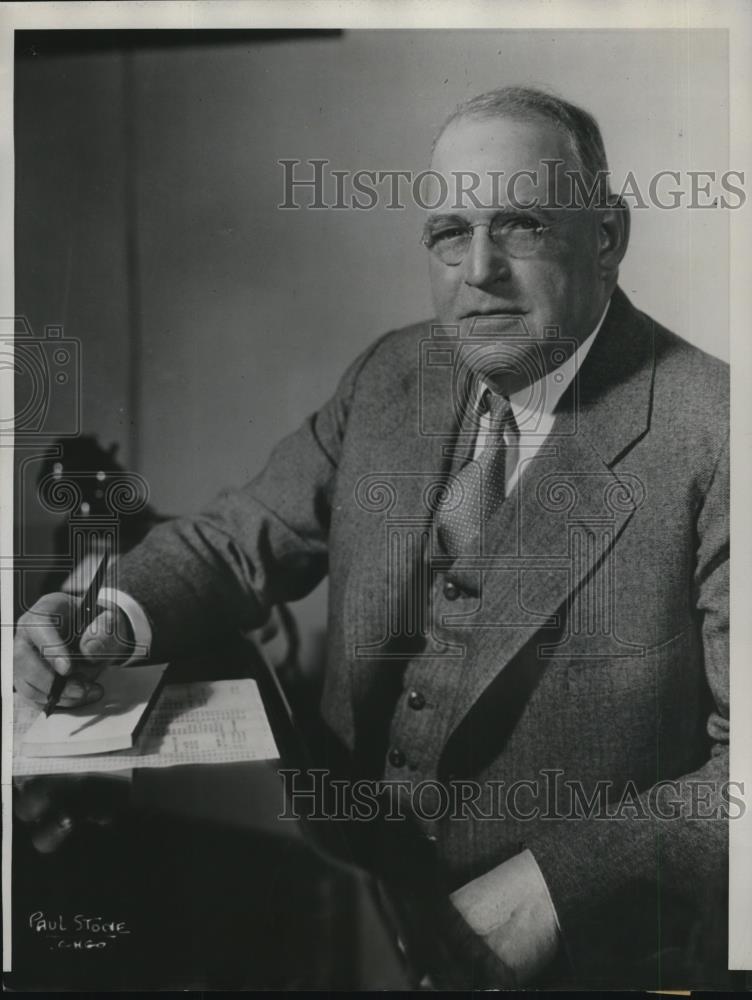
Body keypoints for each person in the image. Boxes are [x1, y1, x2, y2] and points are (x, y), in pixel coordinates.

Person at [14, 87, 730, 987]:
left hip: (580, 961)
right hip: (345, 894)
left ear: (608, 236)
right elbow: (240, 540)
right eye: (447, 233)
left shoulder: (717, 428)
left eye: (522, 226)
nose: (479, 270)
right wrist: (104, 614)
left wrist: (552, 890)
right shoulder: (396, 373)